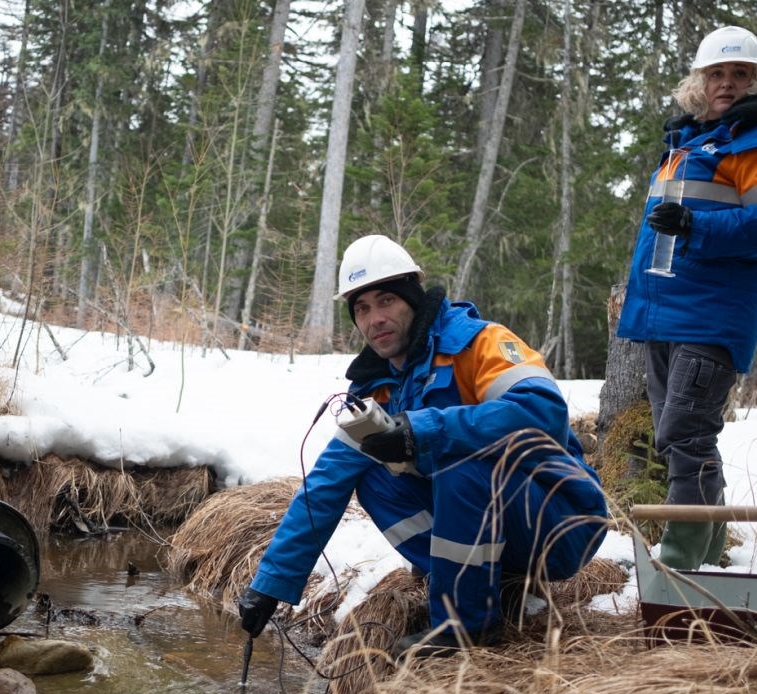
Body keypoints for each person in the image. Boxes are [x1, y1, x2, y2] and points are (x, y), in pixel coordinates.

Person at [236, 235, 608, 655]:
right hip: (496, 529)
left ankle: (462, 629)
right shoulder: (374, 391)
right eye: (361, 308)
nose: (375, 318)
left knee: (461, 465)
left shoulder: (481, 342)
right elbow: (325, 484)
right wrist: (270, 586)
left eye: (386, 301)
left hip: (561, 521)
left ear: (413, 299)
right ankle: (485, 583)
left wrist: (423, 428)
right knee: (370, 477)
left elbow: (543, 412)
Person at [617, 26, 757, 570]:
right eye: (717, 74)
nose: (727, 84)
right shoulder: (689, 144)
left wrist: (697, 228)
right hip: (666, 314)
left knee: (686, 433)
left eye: (739, 74)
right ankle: (706, 555)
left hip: (713, 316)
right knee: (678, 437)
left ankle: (679, 565)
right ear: (699, 82)